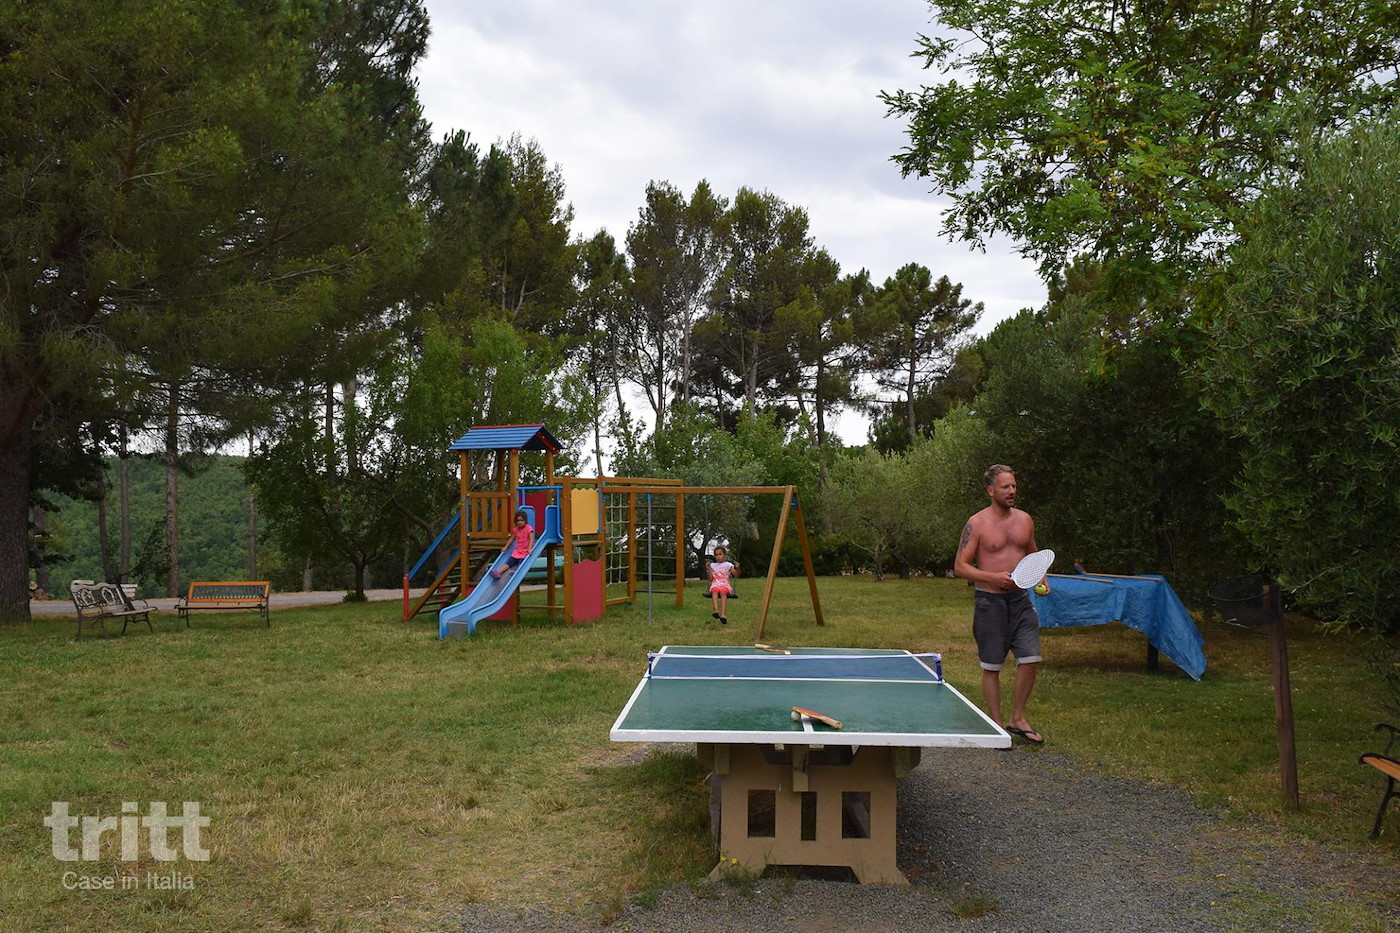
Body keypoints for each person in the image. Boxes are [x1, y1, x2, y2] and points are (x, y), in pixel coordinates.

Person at [953, 464, 1046, 744]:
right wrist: (992, 578)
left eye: (1014, 486)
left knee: (1030, 659)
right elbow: (960, 566)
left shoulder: (1025, 520)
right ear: (991, 490)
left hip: (1021, 601)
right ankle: (996, 725)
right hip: (989, 602)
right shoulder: (977, 523)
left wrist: (1041, 577)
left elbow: (1034, 555)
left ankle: (1017, 718)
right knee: (992, 666)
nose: (1012, 491)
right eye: (1006, 487)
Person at [491, 510, 535, 579]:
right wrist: (506, 547)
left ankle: (517, 572)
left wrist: (529, 549)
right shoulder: (516, 530)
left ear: (525, 521)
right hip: (517, 551)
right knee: (509, 562)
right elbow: (511, 539)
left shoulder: (528, 528)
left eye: (522, 520)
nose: (520, 522)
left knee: (521, 562)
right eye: (518, 520)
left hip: (525, 551)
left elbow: (531, 539)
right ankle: (498, 572)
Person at [705, 546, 739, 624]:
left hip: (725, 585)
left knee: (723, 591)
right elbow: (711, 579)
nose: (718, 556)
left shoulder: (728, 565)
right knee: (714, 590)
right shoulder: (712, 565)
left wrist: (737, 568)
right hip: (715, 584)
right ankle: (716, 611)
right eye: (716, 555)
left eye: (720, 554)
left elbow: (736, 575)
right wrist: (709, 569)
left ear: (725, 555)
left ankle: (723, 614)